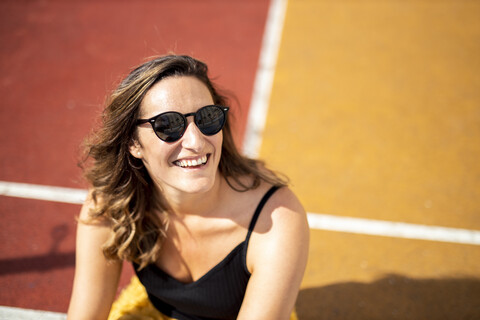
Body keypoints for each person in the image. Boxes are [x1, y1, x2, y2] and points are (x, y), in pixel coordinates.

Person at [67, 55, 309, 320]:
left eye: (207, 118)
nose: (196, 141)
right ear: (133, 143)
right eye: (169, 125)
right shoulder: (111, 204)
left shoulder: (275, 220)